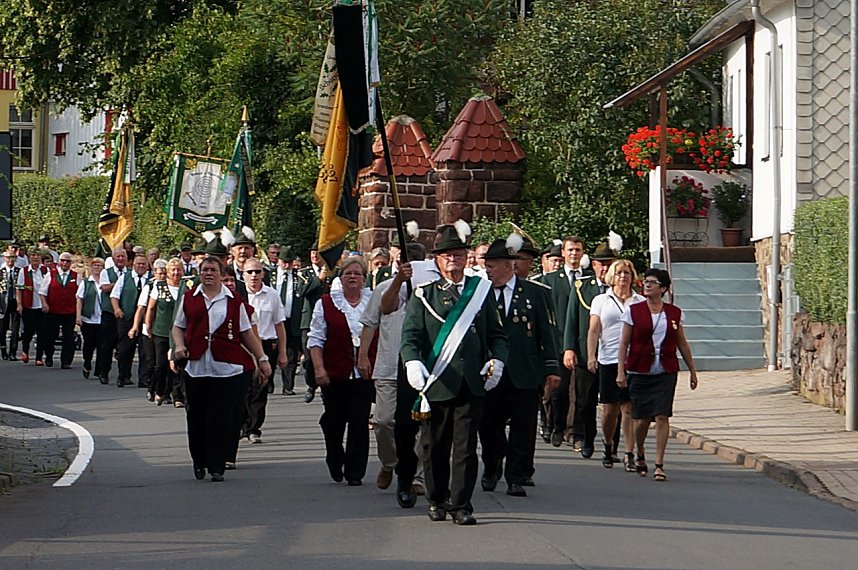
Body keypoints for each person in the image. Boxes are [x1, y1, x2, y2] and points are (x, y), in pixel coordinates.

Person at [400, 221, 508, 526]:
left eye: (459, 254)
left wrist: (498, 360)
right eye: (447, 255)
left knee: (465, 447)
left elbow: (497, 335)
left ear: (467, 258)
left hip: (471, 381)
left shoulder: (481, 293)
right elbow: (411, 337)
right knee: (434, 445)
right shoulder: (424, 295)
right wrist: (412, 362)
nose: (453, 260)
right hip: (436, 381)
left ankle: (461, 504)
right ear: (437, 260)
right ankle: (436, 498)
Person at [172, 256, 270, 482]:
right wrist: (179, 346)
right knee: (196, 416)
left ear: (220, 273)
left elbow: (246, 332)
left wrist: (261, 358)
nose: (208, 273)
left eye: (213, 270)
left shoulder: (234, 300)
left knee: (221, 417)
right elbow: (178, 327)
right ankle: (199, 460)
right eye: (205, 269)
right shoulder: (189, 298)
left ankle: (217, 465)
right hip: (197, 367)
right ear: (199, 273)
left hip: (226, 368)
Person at [478, 236, 559, 498]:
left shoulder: (535, 293)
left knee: (523, 427)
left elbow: (546, 332)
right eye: (486, 265)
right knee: (489, 425)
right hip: (491, 373)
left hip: (524, 371)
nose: (487, 269)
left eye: (492, 265)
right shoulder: (480, 292)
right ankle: (492, 467)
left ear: (508, 265)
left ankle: (516, 475)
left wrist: (551, 368)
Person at [358, 242, 426, 503]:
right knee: (384, 421)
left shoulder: (429, 291)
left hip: (420, 368)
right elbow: (374, 319)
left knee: (420, 424)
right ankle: (390, 463)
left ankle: (415, 476)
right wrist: (363, 355)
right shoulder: (385, 288)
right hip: (388, 366)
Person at [617, 268, 699, 482]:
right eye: (646, 281)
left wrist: (692, 370)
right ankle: (640, 450)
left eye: (652, 282)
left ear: (663, 288)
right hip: (639, 369)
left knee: (662, 415)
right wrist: (620, 371)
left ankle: (660, 464)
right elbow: (624, 342)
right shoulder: (633, 310)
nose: (647, 285)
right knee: (642, 418)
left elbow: (682, 342)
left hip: (665, 370)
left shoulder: (674, 313)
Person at [308, 256, 375, 486]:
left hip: (364, 373)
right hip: (335, 371)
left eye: (358, 274)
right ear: (341, 278)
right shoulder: (326, 303)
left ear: (364, 279)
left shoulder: (372, 301)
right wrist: (319, 368)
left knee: (359, 420)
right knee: (334, 421)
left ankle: (355, 471)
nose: (353, 277)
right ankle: (335, 458)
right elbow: (316, 339)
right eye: (349, 274)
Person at [586, 259, 644, 471]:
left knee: (628, 408)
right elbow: (594, 330)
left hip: (633, 360)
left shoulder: (639, 301)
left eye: (627, 273)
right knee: (610, 410)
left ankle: (629, 452)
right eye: (619, 273)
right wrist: (591, 355)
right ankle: (609, 444)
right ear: (612, 276)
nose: (623, 277)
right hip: (608, 358)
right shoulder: (601, 300)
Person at [563, 242, 617, 459]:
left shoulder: (623, 289)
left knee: (613, 403)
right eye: (600, 265)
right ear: (593, 265)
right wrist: (569, 347)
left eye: (608, 264)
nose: (604, 269)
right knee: (585, 401)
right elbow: (572, 319)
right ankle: (586, 438)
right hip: (587, 354)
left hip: (613, 356)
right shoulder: (581, 287)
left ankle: (610, 444)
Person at [542, 236, 590, 448]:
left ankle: (577, 433)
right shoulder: (551, 280)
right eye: (570, 250)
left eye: (577, 250)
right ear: (563, 252)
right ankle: (557, 427)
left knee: (581, 393)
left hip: (583, 344)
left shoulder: (590, 280)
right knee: (559, 392)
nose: (573, 254)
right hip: (558, 343)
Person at [242, 258, 287, 443]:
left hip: (266, 345)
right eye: (250, 272)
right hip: (244, 345)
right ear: (243, 275)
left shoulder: (272, 295)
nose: (254, 276)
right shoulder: (238, 295)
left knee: (260, 388)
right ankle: (241, 424)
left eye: (257, 272)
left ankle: (254, 428)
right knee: (243, 387)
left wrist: (283, 351)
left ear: (263, 274)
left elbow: (279, 324)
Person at [145, 258, 184, 406]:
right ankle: (160, 391)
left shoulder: (186, 287)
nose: (175, 273)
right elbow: (151, 307)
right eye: (172, 270)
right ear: (167, 272)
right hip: (161, 331)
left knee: (178, 364)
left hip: (179, 332)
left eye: (178, 269)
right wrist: (148, 325)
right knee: (161, 365)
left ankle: (178, 396)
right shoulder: (159, 286)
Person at [110, 253, 151, 387]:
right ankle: (123, 376)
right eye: (138, 264)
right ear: (133, 265)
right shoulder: (124, 278)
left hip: (145, 320)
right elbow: (114, 295)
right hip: (126, 318)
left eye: (143, 264)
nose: (141, 266)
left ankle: (144, 379)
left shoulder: (152, 279)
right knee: (125, 349)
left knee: (145, 351)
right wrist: (117, 309)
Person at [37, 252, 79, 369]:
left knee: (68, 338)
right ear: (59, 262)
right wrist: (44, 304)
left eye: (68, 261)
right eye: (63, 260)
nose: (65, 263)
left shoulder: (76, 276)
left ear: (71, 263)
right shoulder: (51, 275)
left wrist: (79, 312)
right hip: (52, 311)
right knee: (49, 336)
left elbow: (80, 296)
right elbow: (42, 292)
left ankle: (66, 361)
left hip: (69, 312)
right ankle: (49, 356)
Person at [97, 247, 129, 384]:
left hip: (126, 313)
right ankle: (104, 372)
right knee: (107, 344)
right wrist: (119, 283)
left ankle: (125, 375)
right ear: (113, 258)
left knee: (125, 346)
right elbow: (104, 287)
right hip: (109, 312)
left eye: (123, 257)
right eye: (118, 257)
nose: (121, 259)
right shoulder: (106, 272)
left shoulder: (130, 273)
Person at [276, 246, 302, 395]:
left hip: (291, 319)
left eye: (289, 262)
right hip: (274, 320)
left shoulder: (299, 276)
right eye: (284, 262)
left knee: (291, 355)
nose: (287, 266)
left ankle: (288, 386)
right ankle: (269, 384)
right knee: (272, 353)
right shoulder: (271, 275)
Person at [75, 257, 104, 379]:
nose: (97, 268)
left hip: (103, 319)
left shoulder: (106, 282)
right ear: (91, 267)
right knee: (89, 344)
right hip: (89, 319)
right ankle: (87, 363)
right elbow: (79, 299)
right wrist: (78, 316)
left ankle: (99, 369)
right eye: (95, 265)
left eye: (100, 266)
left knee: (102, 345)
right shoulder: (86, 282)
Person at [15, 250, 46, 364]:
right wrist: (19, 304)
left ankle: (39, 357)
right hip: (29, 305)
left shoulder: (45, 270)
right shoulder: (24, 271)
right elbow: (19, 288)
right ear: (29, 257)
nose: (35, 257)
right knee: (28, 331)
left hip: (42, 306)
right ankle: (25, 351)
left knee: (42, 332)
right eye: (33, 255)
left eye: (38, 255)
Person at [1, 252, 21, 361]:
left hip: (15, 301)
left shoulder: (19, 271)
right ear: (4, 258)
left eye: (13, 258)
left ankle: (13, 352)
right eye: (8, 257)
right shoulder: (1, 272)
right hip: (3, 302)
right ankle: (3, 350)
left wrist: (20, 303)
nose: (10, 260)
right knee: (2, 328)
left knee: (15, 328)